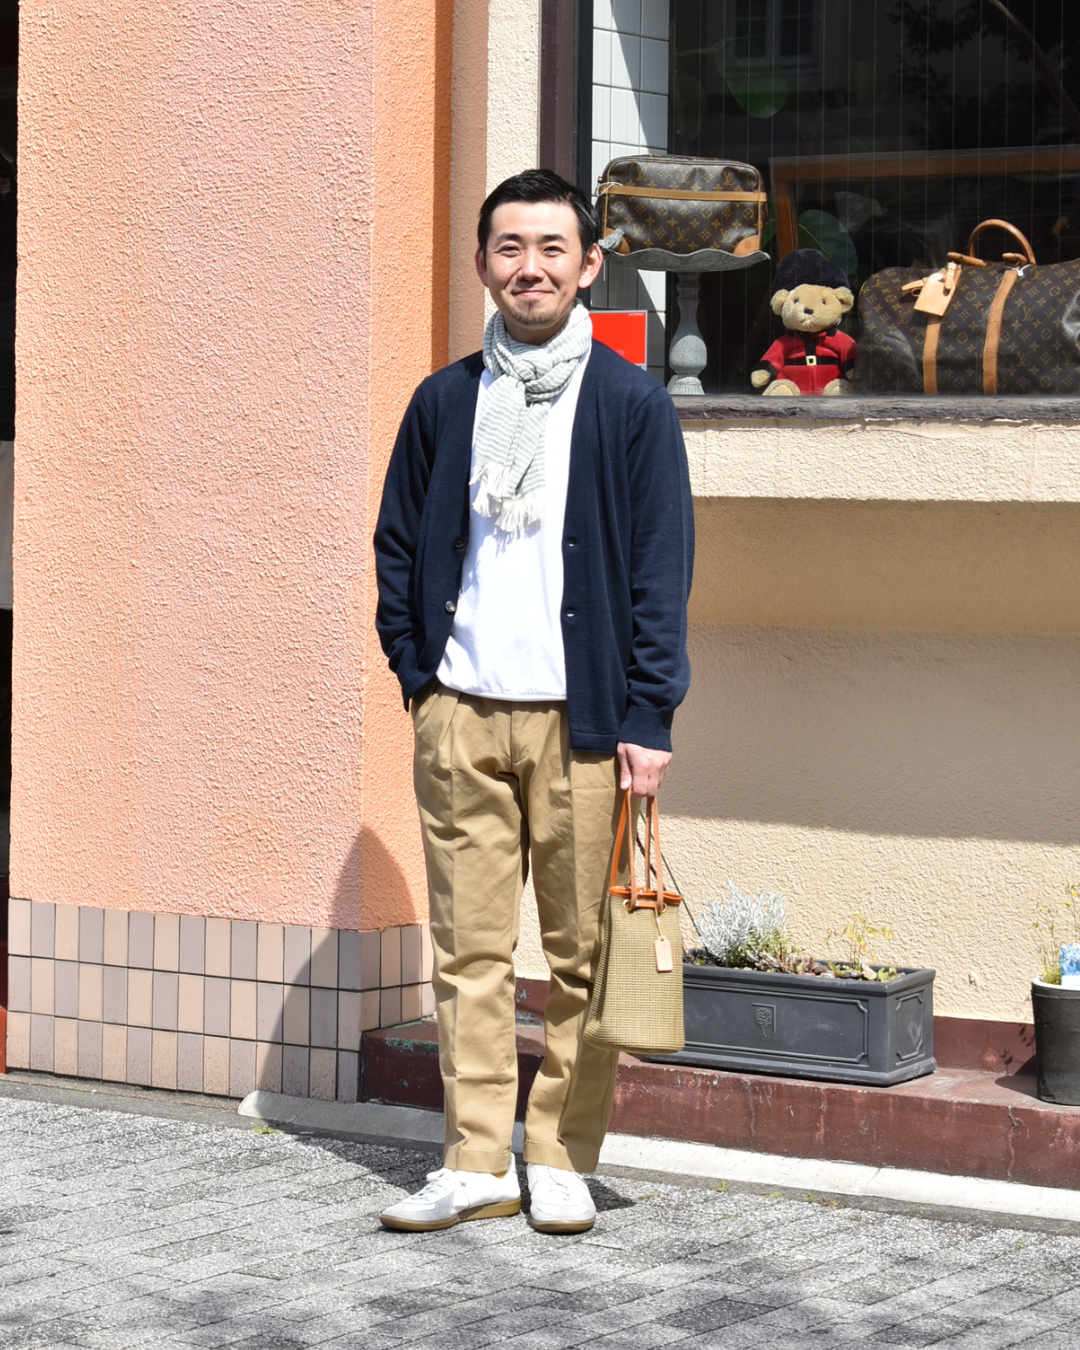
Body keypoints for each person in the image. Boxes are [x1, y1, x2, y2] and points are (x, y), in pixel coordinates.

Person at [373, 169, 693, 1234]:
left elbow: (661, 572)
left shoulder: (630, 404)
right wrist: (419, 680)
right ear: (482, 266)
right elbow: (398, 545)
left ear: (590, 265)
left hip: (584, 725)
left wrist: (649, 719)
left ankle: (558, 1154)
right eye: (510, 248)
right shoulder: (445, 401)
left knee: (582, 958)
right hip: (461, 712)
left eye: (553, 248)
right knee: (467, 955)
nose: (531, 268)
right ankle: (475, 1160)